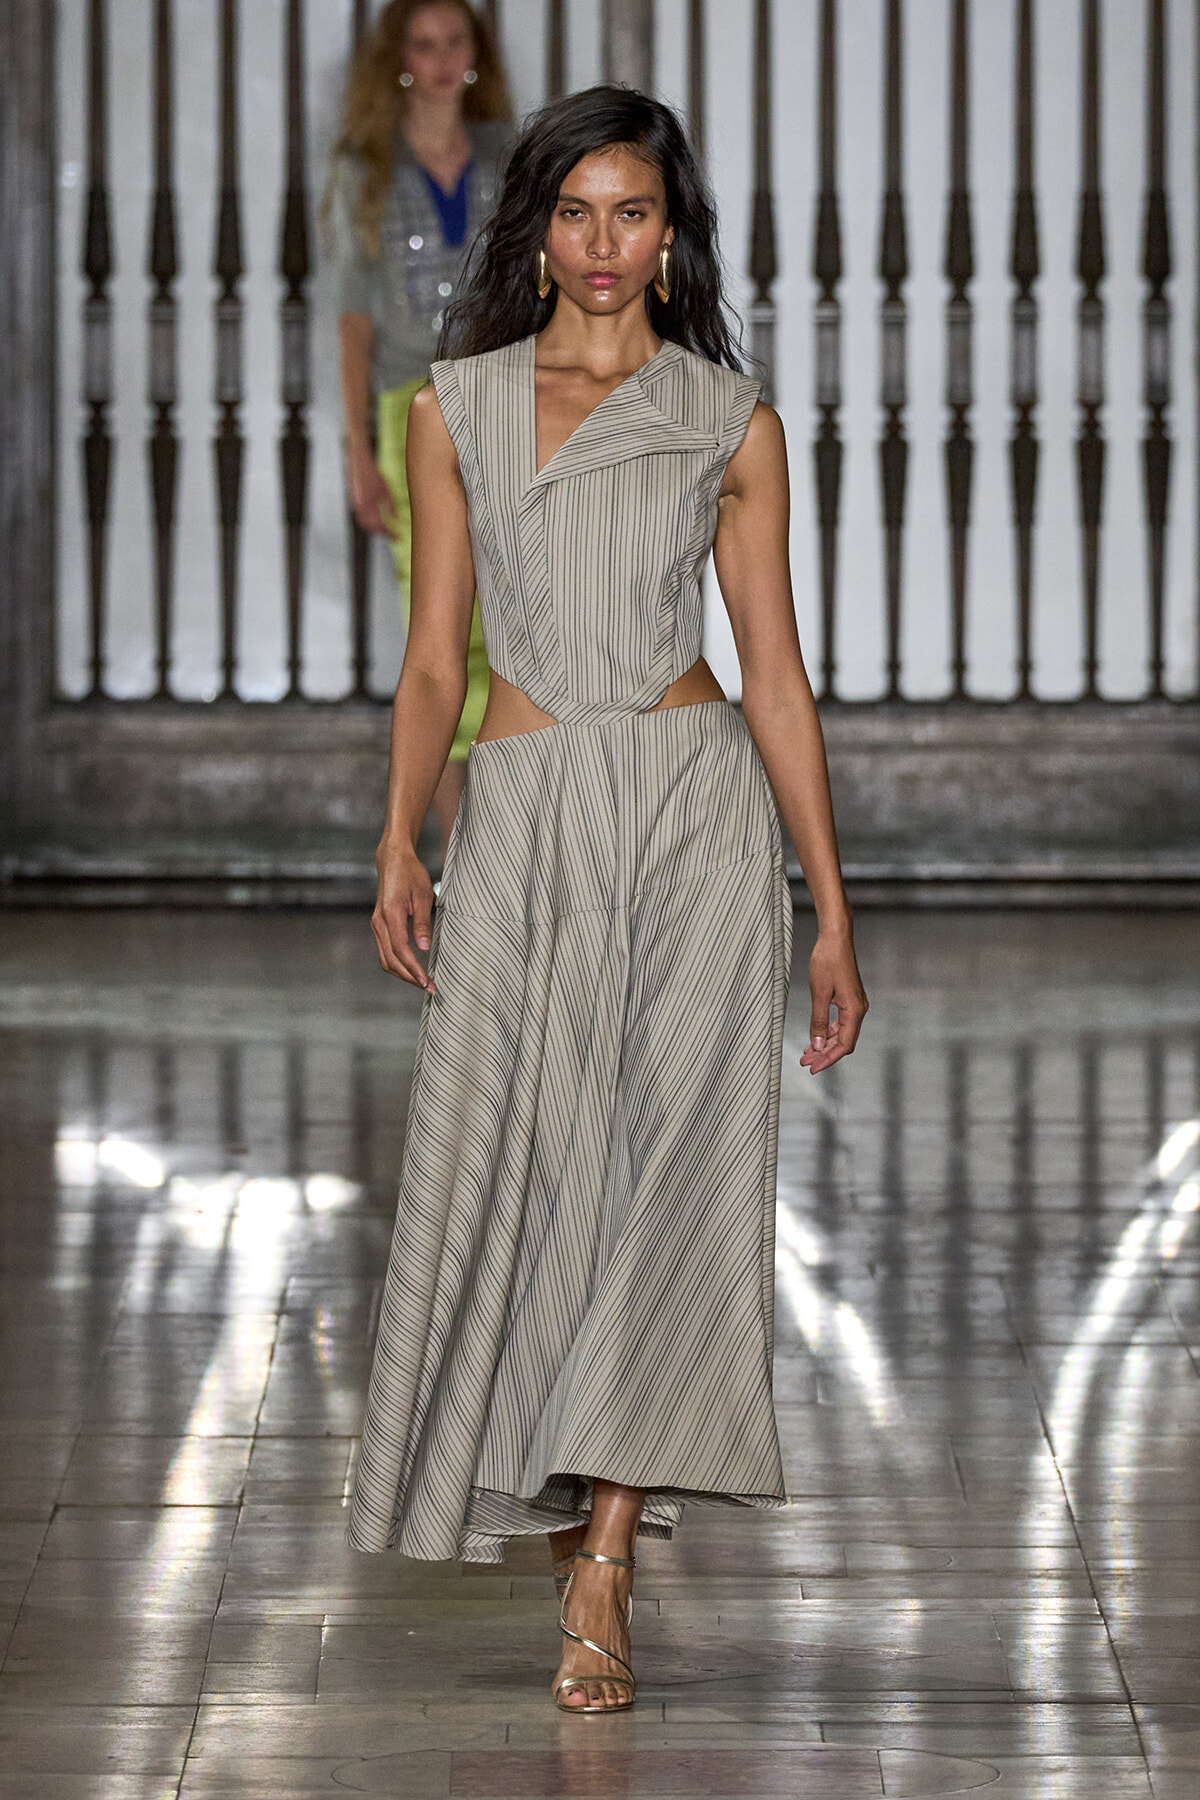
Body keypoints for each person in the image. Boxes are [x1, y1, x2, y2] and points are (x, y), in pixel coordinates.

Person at [345, 85, 868, 1715]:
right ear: (540, 226)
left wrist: (832, 909)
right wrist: (396, 838)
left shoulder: (729, 420)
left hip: (692, 819)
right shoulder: (456, 409)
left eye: (631, 214)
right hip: (518, 813)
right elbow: (439, 655)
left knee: (669, 1180)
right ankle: (561, 1495)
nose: (600, 245)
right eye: (575, 213)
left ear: (669, 233)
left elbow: (774, 676)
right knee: (521, 1164)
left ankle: (612, 1556)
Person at [327, 0, 513, 849]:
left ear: (476, 54)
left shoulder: (511, 159)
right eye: (423, 44)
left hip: (505, 402)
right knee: (439, 625)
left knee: (516, 616)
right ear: (399, 59)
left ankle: (523, 854)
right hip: (411, 406)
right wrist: (359, 450)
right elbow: (353, 317)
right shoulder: (365, 167)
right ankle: (463, 859)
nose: (440, 61)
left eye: (454, 42)